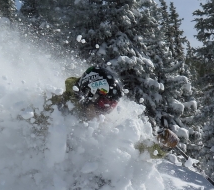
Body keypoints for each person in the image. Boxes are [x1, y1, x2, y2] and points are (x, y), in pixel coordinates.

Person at [46, 65, 179, 157]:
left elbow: (132, 150)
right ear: (87, 95)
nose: (104, 112)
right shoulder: (51, 108)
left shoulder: (102, 125)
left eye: (112, 106)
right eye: (103, 104)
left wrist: (161, 147)